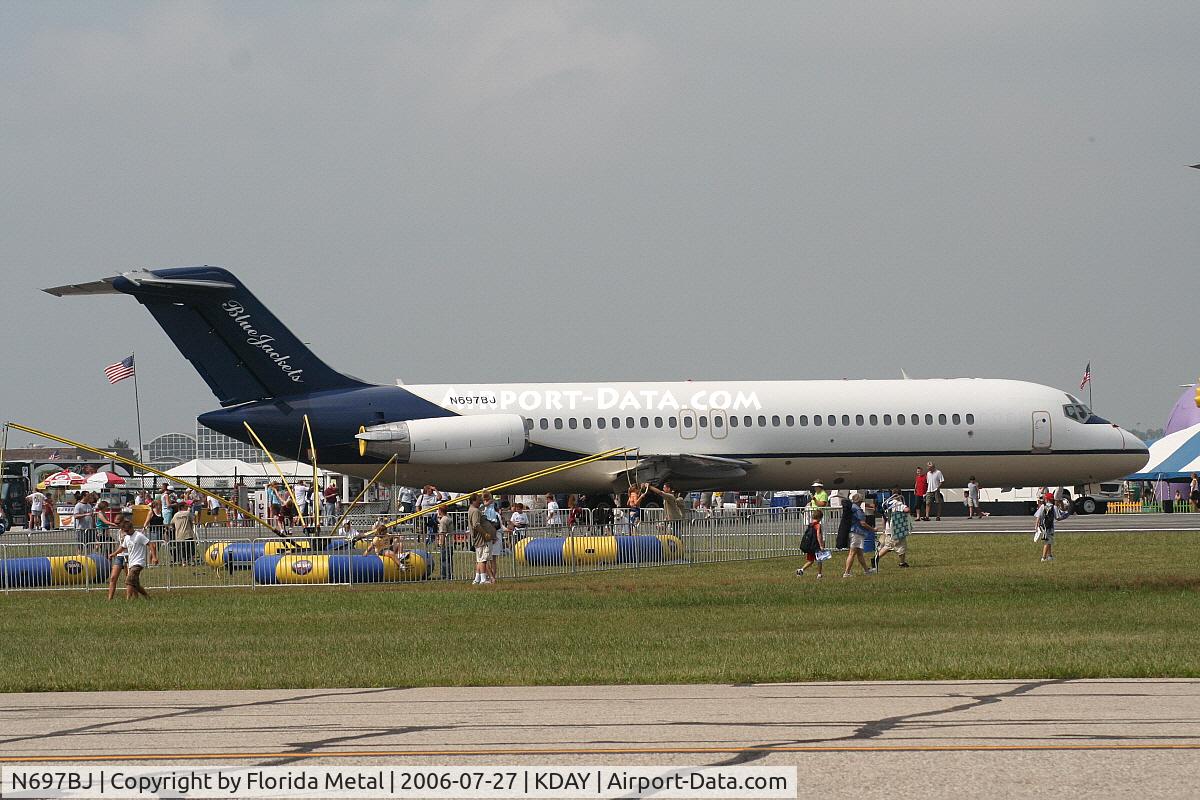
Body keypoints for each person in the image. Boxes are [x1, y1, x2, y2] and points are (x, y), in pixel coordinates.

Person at [109, 517, 158, 599]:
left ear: (132, 528)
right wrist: (113, 554)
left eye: (127, 531)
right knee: (135, 584)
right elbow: (122, 547)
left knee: (129, 581)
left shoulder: (139, 536)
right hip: (131, 563)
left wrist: (154, 557)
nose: (126, 533)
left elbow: (151, 544)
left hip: (138, 563)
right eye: (125, 531)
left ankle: (128, 600)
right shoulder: (127, 537)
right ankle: (147, 597)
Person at [874, 488, 911, 568]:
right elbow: (906, 510)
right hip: (896, 528)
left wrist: (884, 528)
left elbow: (884, 517)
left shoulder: (887, 503)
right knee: (889, 546)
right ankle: (876, 559)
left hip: (889, 527)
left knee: (902, 545)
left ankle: (902, 563)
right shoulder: (898, 504)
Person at [842, 493, 877, 577]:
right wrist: (873, 529)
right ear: (860, 501)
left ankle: (866, 570)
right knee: (852, 553)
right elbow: (863, 523)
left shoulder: (851, 508)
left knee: (859, 553)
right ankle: (846, 573)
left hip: (853, 532)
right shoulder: (857, 510)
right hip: (857, 533)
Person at [468, 494, 496, 585]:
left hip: (479, 538)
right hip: (482, 539)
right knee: (483, 560)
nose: (480, 501)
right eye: (478, 500)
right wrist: (485, 533)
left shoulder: (473, 509)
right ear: (473, 501)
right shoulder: (475, 511)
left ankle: (477, 579)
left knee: (479, 559)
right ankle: (483, 580)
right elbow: (476, 525)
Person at [1033, 492, 1068, 561]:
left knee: (1049, 540)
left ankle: (1050, 556)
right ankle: (1043, 558)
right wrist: (1064, 516)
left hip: (1043, 526)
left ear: (1046, 499)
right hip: (1049, 527)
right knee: (1048, 541)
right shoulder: (1054, 507)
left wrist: (1036, 525)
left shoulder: (1043, 506)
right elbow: (1057, 517)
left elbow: (1038, 516)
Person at [795, 509, 826, 578]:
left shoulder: (810, 524)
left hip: (810, 546)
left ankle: (801, 570)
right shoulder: (818, 525)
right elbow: (818, 535)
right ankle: (819, 574)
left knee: (810, 560)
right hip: (816, 545)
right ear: (819, 518)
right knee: (819, 559)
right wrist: (821, 545)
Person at [436, 506, 454, 580]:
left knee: (444, 560)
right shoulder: (448, 518)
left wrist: (441, 544)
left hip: (445, 544)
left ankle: (445, 575)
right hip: (450, 543)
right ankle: (449, 575)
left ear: (440, 510)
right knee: (449, 560)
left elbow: (442, 533)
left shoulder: (443, 520)